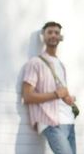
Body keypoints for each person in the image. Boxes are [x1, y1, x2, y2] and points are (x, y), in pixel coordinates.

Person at [22, 21, 77, 154]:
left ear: (60, 37)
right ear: (43, 36)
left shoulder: (61, 65)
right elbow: (27, 96)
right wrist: (56, 94)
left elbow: (61, 92)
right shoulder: (35, 63)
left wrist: (67, 98)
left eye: (56, 33)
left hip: (68, 120)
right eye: (50, 32)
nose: (53, 35)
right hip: (49, 121)